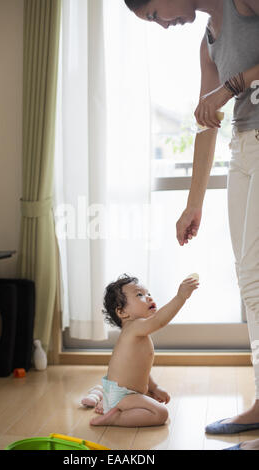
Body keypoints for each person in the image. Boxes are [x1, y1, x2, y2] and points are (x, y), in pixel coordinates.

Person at [124, 0, 259, 451]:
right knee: (251, 281)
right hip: (243, 148)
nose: (163, 25)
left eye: (155, 13)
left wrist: (231, 87)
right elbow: (207, 122)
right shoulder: (208, 44)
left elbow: (219, 97)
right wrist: (192, 204)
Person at [90, 273, 198, 426]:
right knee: (160, 413)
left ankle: (110, 407)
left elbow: (141, 369)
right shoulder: (134, 327)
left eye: (149, 294)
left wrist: (154, 388)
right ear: (122, 312)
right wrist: (181, 297)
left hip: (126, 394)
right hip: (122, 396)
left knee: (153, 404)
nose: (148, 297)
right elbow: (159, 320)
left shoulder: (137, 331)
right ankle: (115, 417)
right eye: (139, 295)